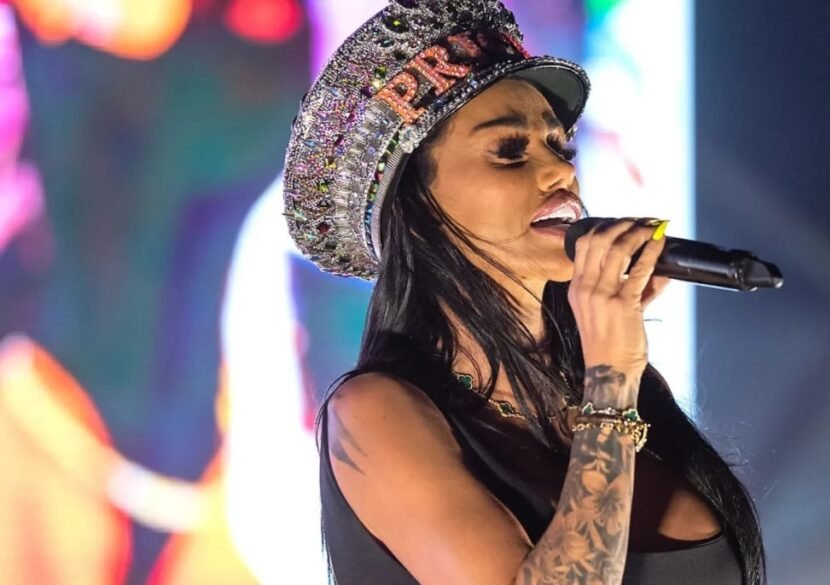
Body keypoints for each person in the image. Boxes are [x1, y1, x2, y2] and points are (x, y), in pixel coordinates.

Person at [282, 1, 766, 583]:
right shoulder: (378, 412)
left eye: (561, 148)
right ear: (416, 210)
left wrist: (610, 377)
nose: (562, 173)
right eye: (509, 153)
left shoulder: (603, 388)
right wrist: (611, 379)